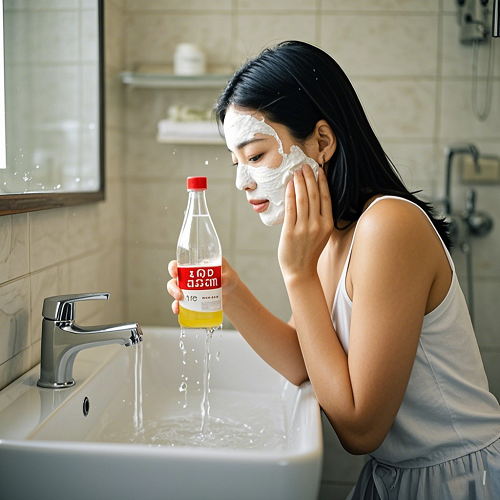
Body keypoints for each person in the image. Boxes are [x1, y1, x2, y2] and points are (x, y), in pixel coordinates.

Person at [167, 40, 500, 499]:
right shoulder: (337, 235)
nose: (242, 181)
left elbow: (361, 429)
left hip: (459, 480)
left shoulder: (388, 226)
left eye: (256, 155)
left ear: (322, 142)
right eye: (236, 162)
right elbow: (303, 361)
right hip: (396, 477)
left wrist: (297, 274)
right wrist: (229, 291)